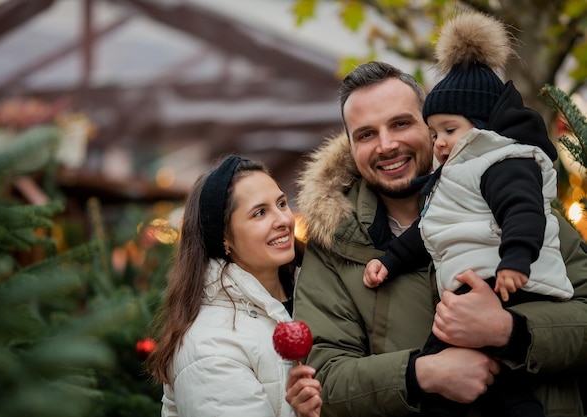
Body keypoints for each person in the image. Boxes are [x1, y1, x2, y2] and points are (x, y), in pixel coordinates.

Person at [293, 43, 587, 417]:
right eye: (366, 134)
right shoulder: (333, 245)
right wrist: (421, 374)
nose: (387, 145)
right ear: (350, 146)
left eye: (401, 123)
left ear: (431, 125)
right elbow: (324, 381)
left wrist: (509, 331)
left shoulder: (509, 194)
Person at [359, 12, 574, 417]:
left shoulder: (502, 161)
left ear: (483, 127)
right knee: (498, 384)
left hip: (505, 283)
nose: (440, 143)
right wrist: (389, 261)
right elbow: (428, 233)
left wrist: (515, 260)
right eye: (435, 133)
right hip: (483, 281)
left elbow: (522, 210)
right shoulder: (455, 175)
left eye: (450, 131)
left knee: (441, 363)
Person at [145, 155, 321, 417]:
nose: (283, 219)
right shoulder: (208, 346)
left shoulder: (316, 288)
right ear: (224, 237)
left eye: (281, 203)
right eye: (260, 212)